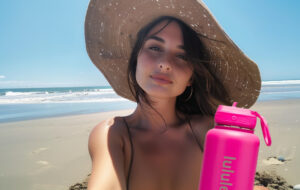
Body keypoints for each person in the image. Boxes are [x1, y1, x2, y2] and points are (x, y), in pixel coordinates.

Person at [84, 0, 268, 189]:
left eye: (182, 56)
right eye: (155, 47)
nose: (165, 63)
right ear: (135, 60)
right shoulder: (113, 134)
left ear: (191, 77)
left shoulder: (209, 132)